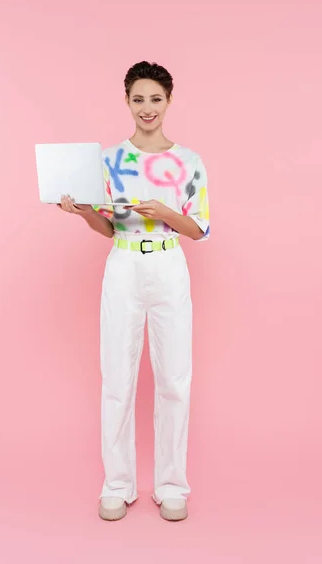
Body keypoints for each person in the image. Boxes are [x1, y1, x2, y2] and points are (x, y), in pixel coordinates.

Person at [58, 61, 210, 522]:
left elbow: (199, 230)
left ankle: (170, 485)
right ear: (127, 101)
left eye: (156, 99)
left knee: (174, 378)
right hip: (123, 262)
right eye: (138, 99)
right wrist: (83, 211)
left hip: (168, 262)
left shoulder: (188, 161)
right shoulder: (106, 160)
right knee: (117, 378)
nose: (147, 108)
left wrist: (164, 209)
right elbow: (107, 228)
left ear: (169, 101)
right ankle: (118, 483)